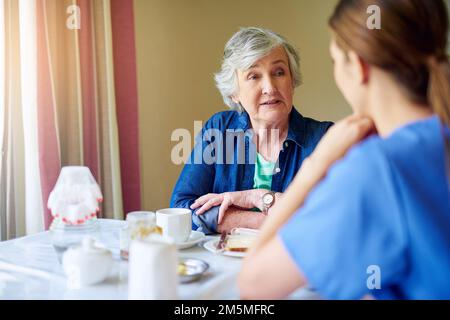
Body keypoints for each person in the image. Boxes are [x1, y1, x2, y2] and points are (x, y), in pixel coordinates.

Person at [239, 0, 450, 300]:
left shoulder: (375, 168)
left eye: (336, 61)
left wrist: (317, 163)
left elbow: (253, 284)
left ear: (358, 65)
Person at [170, 27, 333, 234]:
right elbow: (181, 209)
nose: (270, 88)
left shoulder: (325, 138)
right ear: (234, 93)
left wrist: (260, 198)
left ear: (292, 82)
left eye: (279, 72)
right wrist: (261, 213)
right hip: (221, 261)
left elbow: (331, 220)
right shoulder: (219, 130)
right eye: (254, 76)